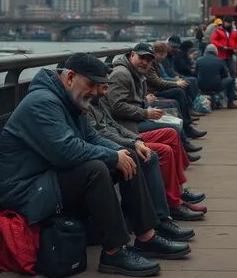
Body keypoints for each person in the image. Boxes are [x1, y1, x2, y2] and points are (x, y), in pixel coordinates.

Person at [0, 52, 190, 278]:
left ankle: (147, 236)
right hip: (25, 190)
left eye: (99, 86)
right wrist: (113, 157)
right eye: (91, 84)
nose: (95, 92)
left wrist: (128, 148)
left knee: (127, 155)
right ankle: (114, 253)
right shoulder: (43, 103)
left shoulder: (69, 99)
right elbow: (67, 151)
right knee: (95, 170)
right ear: (70, 78)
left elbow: (92, 138)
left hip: (47, 178)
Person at [88, 83, 206, 223]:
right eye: (102, 84)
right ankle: (168, 210)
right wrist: (144, 115)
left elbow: (114, 124)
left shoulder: (97, 99)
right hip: (131, 126)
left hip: (127, 133)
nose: (105, 89)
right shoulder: (120, 76)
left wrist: (136, 139)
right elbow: (115, 112)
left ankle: (178, 195)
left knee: (171, 133)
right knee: (161, 150)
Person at [104, 43, 204, 168]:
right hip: (127, 123)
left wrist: (146, 102)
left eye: (149, 60)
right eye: (142, 58)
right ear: (132, 55)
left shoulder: (135, 72)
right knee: (174, 128)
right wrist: (146, 113)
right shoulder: (122, 74)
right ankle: (183, 158)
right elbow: (117, 107)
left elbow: (132, 99)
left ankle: (182, 159)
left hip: (135, 117)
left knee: (174, 118)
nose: (145, 62)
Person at [145, 41, 205, 149]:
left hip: (155, 91)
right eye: (161, 54)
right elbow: (156, 81)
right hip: (154, 92)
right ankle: (186, 129)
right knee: (178, 92)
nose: (163, 57)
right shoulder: (151, 63)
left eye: (164, 54)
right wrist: (175, 83)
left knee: (179, 92)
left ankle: (187, 126)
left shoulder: (155, 63)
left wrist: (176, 81)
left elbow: (162, 78)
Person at [196, 44, 237, 109]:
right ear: (216, 52)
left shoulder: (199, 60)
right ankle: (230, 102)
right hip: (216, 86)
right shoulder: (220, 60)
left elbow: (196, 73)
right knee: (231, 79)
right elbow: (225, 75)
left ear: (205, 52)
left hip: (201, 85)